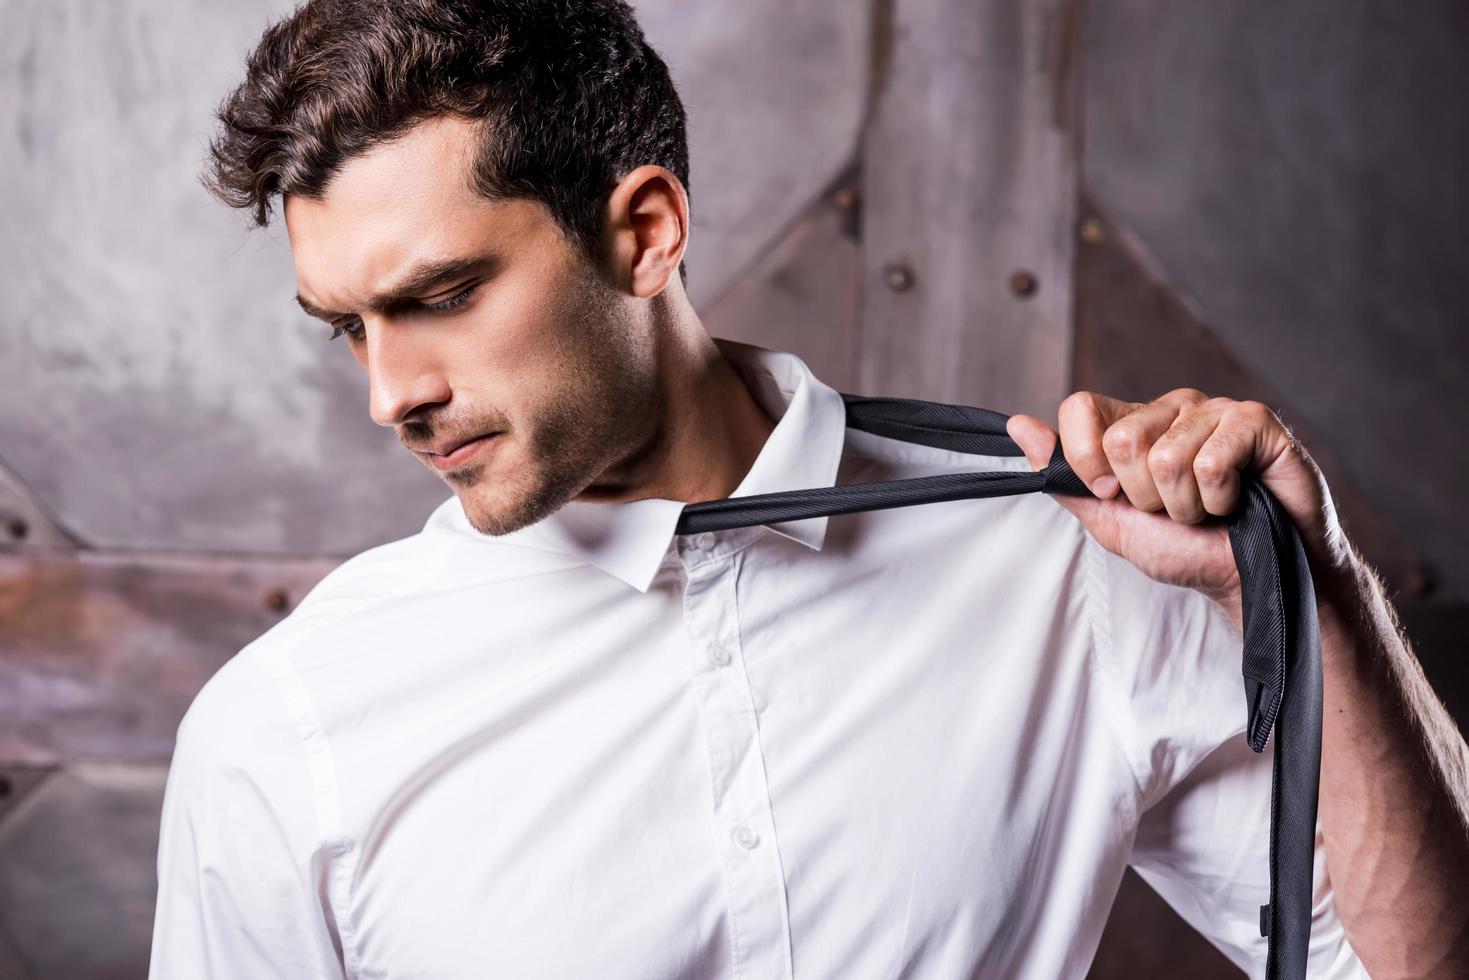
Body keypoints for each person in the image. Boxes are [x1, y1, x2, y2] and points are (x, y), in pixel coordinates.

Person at [149, 1, 1468, 977]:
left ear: (644, 230)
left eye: (438, 297)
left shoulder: (1074, 557)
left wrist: (1320, 594)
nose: (390, 393)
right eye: (346, 327)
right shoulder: (287, 728)